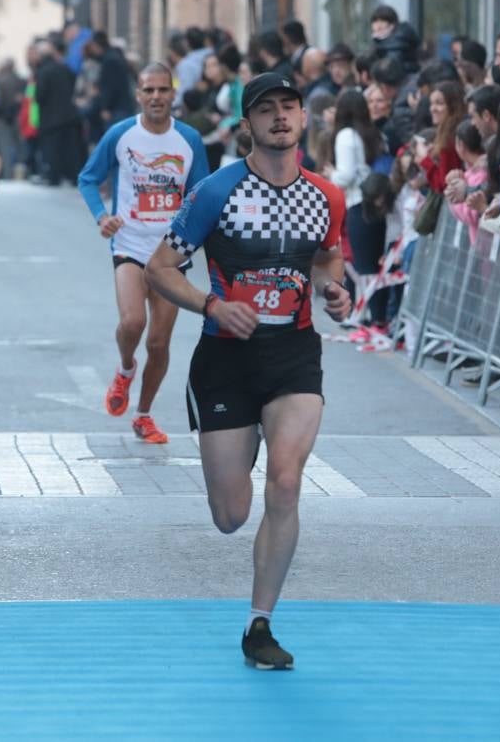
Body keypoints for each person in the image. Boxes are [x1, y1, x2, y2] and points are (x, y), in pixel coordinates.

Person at [144, 72, 351, 671]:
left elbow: (328, 255)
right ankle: (242, 445)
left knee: (286, 482)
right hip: (225, 362)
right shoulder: (217, 192)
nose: (280, 117)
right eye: (267, 109)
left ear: (304, 118)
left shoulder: (326, 195)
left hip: (293, 356)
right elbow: (160, 267)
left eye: (290, 106)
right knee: (231, 515)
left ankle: (260, 623)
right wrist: (211, 304)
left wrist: (335, 291)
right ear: (248, 123)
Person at [78, 64, 209, 443]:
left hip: (171, 255)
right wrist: (102, 216)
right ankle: (124, 369)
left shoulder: (189, 140)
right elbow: (88, 178)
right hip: (130, 246)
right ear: (138, 94)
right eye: (148, 90)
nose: (156, 97)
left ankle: (144, 414)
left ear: (173, 94)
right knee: (133, 324)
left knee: (159, 343)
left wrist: (198, 234)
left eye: (162, 90)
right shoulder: (121, 134)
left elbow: (201, 193)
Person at [328, 89, 386, 328]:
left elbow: (346, 175)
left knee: (361, 264)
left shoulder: (345, 136)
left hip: (356, 202)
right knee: (372, 263)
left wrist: (330, 173)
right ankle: (376, 315)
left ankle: (363, 315)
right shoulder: (371, 134)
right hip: (374, 203)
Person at [33, 39, 83, 185]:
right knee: (70, 148)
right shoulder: (64, 68)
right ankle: (73, 176)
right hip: (69, 115)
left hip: (50, 118)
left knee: (52, 149)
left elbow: (39, 95)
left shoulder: (43, 71)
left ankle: (53, 176)